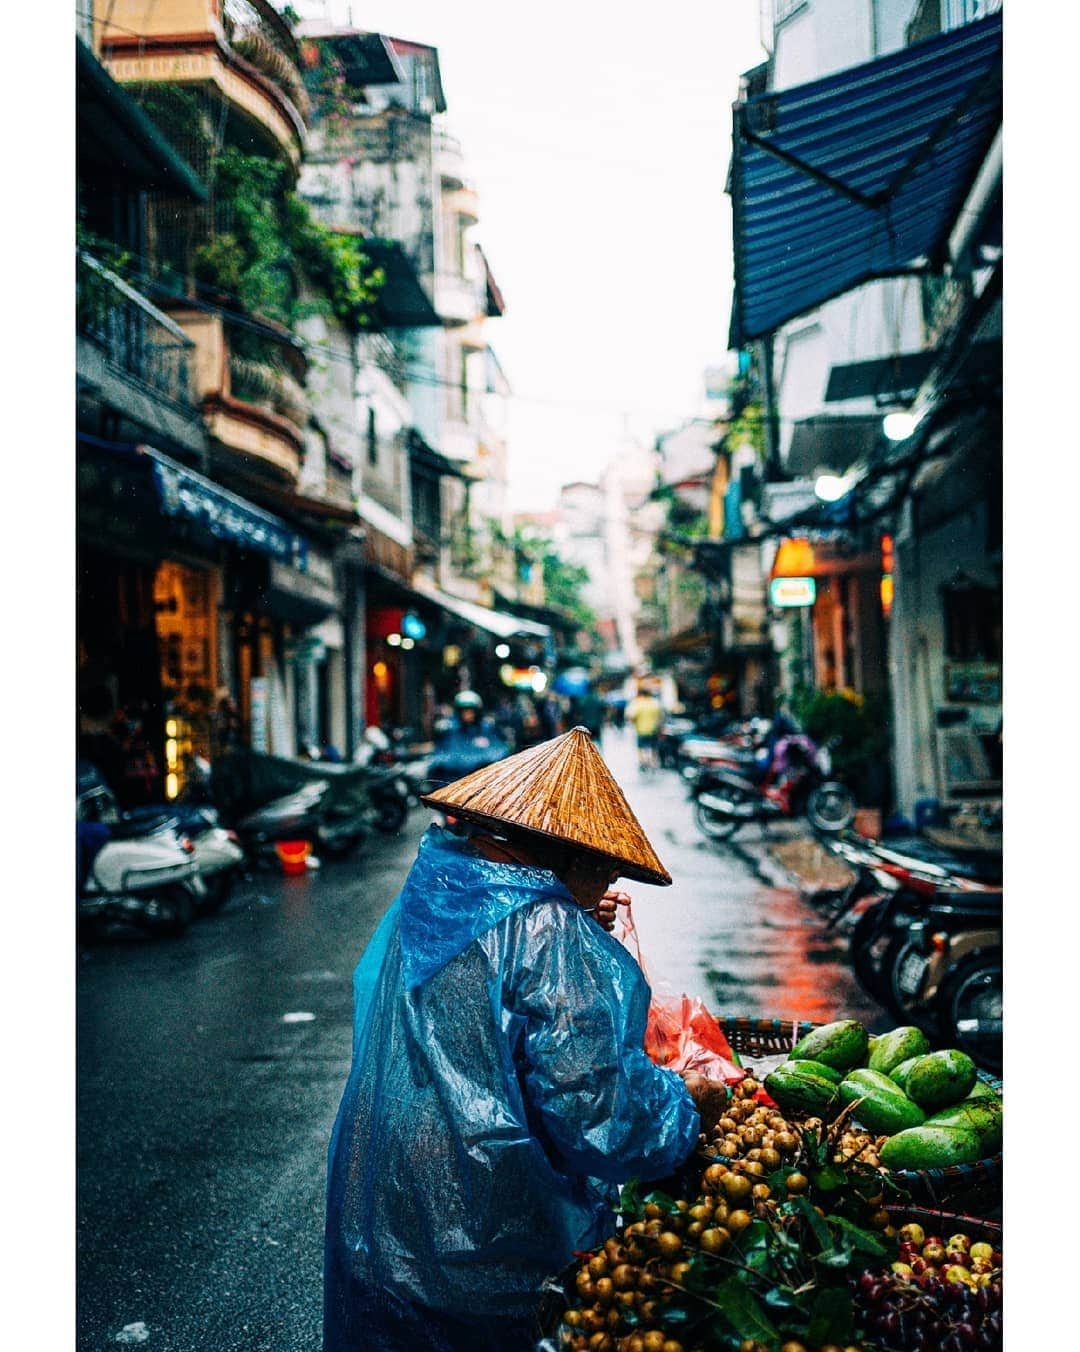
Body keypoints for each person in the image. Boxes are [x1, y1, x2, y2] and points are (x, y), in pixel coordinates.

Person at [323, 727, 721, 1351]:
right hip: (482, 1235)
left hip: (385, 1205)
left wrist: (569, 917)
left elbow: (477, 977)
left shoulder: (438, 890)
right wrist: (686, 1099)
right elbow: (601, 1117)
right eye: (608, 865)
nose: (612, 877)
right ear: (573, 854)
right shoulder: (546, 931)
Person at [626, 682, 664, 770]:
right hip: (654, 729)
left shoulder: (637, 704)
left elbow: (630, 716)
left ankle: (643, 762)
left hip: (641, 730)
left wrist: (634, 722)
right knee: (653, 747)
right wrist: (659, 727)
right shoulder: (655, 703)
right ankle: (652, 762)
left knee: (641, 747)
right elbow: (660, 717)